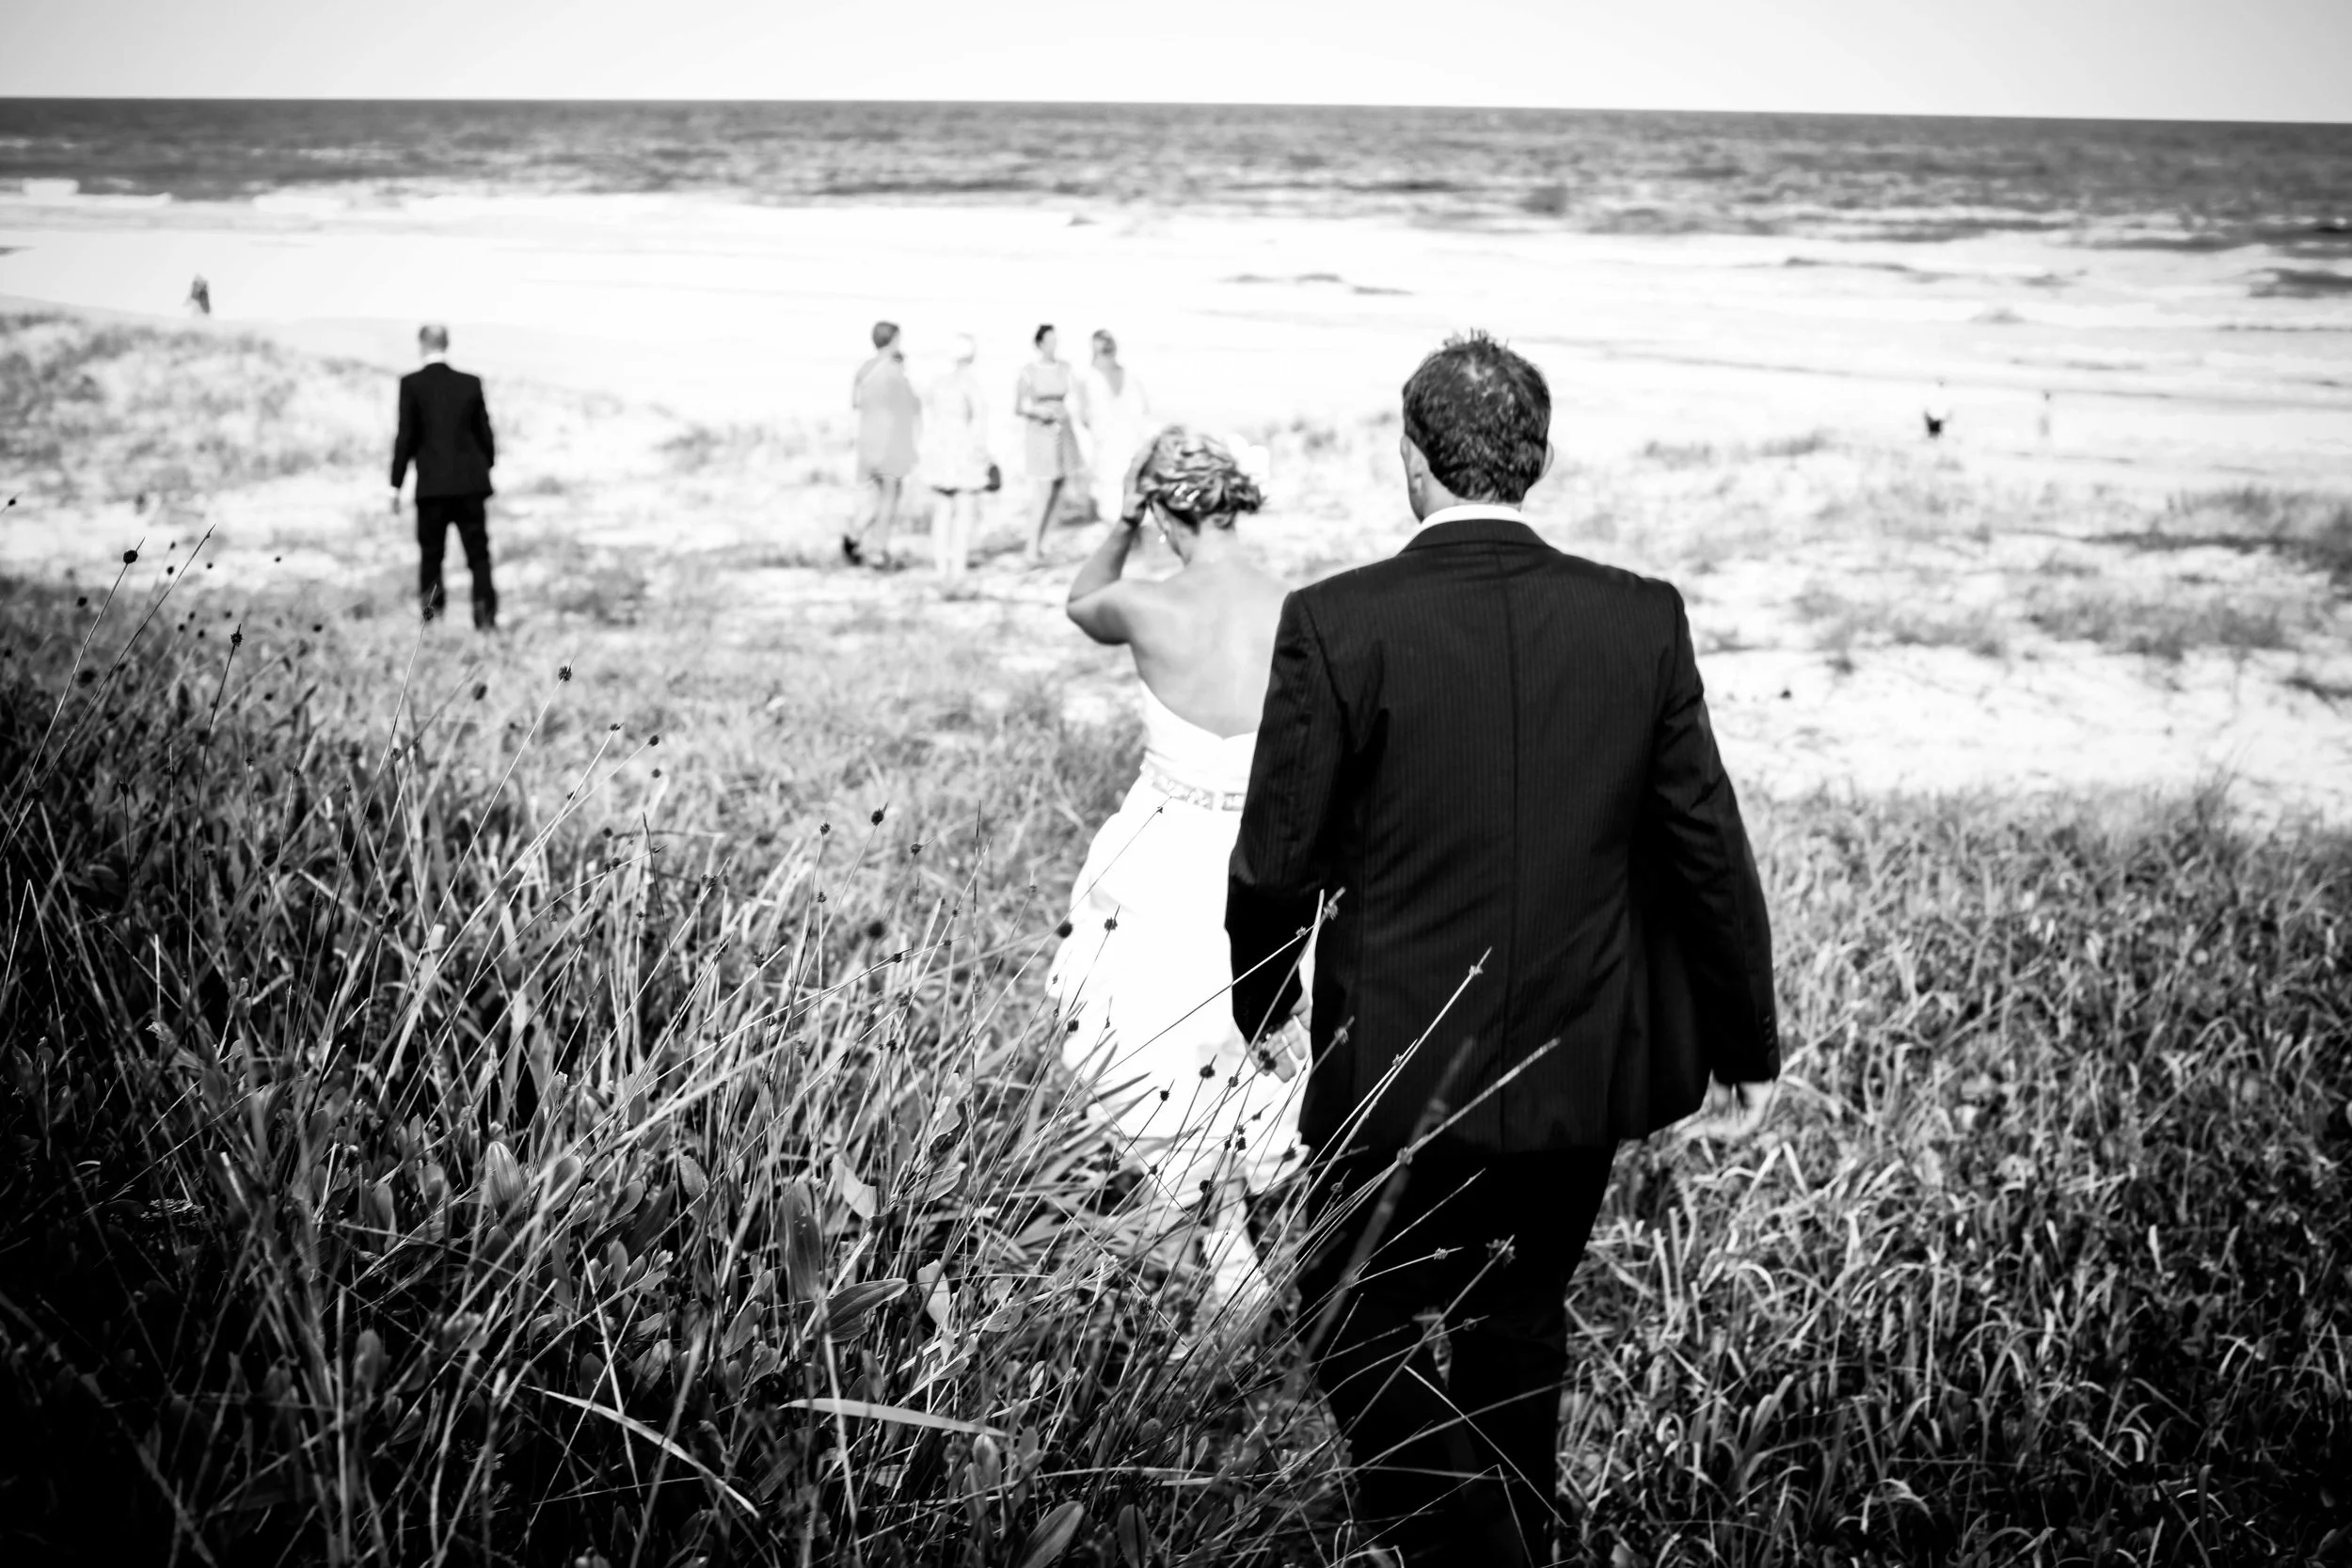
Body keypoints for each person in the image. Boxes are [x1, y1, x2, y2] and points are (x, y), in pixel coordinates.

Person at [1226, 332, 1780, 1566]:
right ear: (1535, 459)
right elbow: (1706, 845)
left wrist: (1262, 1000)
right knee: (1515, 1318)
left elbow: (1274, 859)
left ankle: (1479, 1547)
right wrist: (1748, 1042)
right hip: (1576, 1064)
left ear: (1412, 456)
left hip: (1395, 1071)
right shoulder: (1638, 617)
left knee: (1348, 1308)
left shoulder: (1338, 619)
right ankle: (1508, 1530)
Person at [1050, 427, 1308, 1330]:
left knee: (1154, 1028)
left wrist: (1121, 522)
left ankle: (1192, 1226)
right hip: (1262, 851)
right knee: (1249, 1027)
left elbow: (1080, 601)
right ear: (1237, 500)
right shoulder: (1302, 609)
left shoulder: (1144, 605)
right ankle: (1234, 1227)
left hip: (1165, 847)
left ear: (1164, 510)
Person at [389, 324, 498, 629]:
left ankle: (432, 625)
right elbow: (485, 434)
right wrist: (485, 468)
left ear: (422, 345)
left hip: (432, 488)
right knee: (478, 557)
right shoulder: (470, 383)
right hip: (470, 486)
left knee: (431, 558)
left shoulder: (411, 384)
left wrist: (395, 485)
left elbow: (405, 438)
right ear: (447, 344)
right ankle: (486, 623)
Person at [847, 321, 921, 568]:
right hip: (890, 440)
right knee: (890, 496)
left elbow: (855, 403)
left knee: (874, 496)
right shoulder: (893, 371)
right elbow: (909, 405)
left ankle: (855, 534)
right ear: (894, 339)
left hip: (867, 439)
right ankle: (878, 549)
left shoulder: (864, 369)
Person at [924, 334, 993, 585]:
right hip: (963, 451)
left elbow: (929, 418)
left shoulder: (938, 383)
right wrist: (982, 455)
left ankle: (941, 567)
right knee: (964, 512)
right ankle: (958, 568)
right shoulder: (970, 385)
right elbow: (978, 423)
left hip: (941, 451)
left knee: (942, 512)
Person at [1014, 324, 1084, 563]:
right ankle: (1031, 547)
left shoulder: (1065, 368)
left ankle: (1044, 542)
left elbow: (1079, 395)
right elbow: (1018, 407)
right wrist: (1037, 412)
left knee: (1059, 486)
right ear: (1040, 344)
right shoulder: (1028, 371)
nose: (1053, 346)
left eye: (1056, 340)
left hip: (1063, 429)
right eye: (1049, 341)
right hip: (1040, 432)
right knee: (1043, 489)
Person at [1074, 329, 1150, 520]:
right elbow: (1084, 418)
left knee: (1122, 493)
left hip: (1123, 444)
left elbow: (1142, 410)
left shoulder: (1126, 375)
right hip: (1111, 446)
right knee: (1116, 494)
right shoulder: (1090, 378)